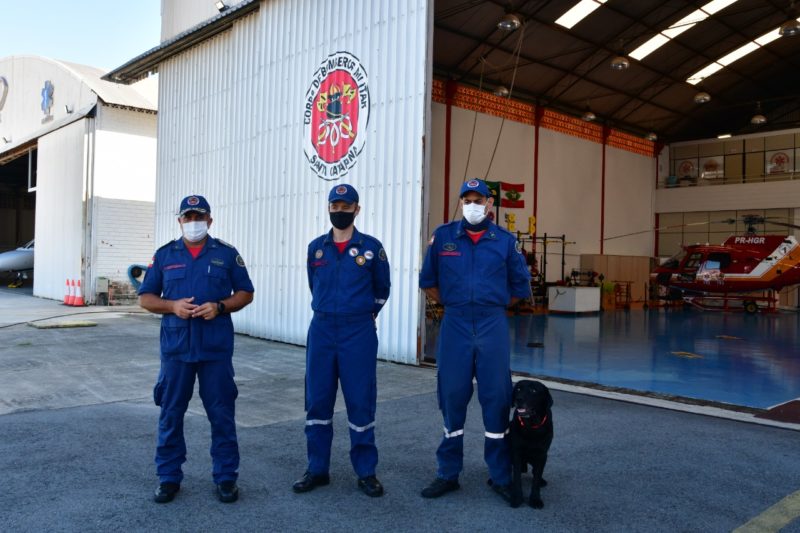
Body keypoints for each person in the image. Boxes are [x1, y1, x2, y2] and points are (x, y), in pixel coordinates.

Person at [418, 179, 532, 503]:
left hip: (491, 323)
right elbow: (428, 281)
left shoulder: (506, 242)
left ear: (489, 203)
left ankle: (499, 475)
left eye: (477, 199)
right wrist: (454, 305)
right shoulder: (443, 238)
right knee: (452, 395)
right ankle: (448, 473)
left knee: (496, 397)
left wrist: (491, 306)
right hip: (454, 323)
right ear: (461, 203)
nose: (472, 204)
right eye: (466, 199)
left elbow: (519, 288)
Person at [138, 195, 254, 504]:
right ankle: (168, 477)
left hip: (215, 349)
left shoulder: (226, 255)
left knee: (222, 414)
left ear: (210, 221)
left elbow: (245, 292)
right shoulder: (165, 255)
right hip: (176, 350)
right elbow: (146, 297)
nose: (193, 223)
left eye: (198, 217)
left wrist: (220, 306)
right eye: (187, 218)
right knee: (171, 414)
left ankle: (226, 477)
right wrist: (172, 305)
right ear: (179, 221)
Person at [293, 183, 391, 498]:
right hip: (322, 329)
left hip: (357, 331)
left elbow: (382, 289)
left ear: (357, 209)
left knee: (360, 402)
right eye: (335, 206)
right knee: (317, 401)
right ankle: (317, 469)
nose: (340, 211)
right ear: (329, 208)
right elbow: (314, 285)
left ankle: (366, 472)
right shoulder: (316, 248)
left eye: (346, 206)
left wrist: (362, 313)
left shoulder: (371, 248)